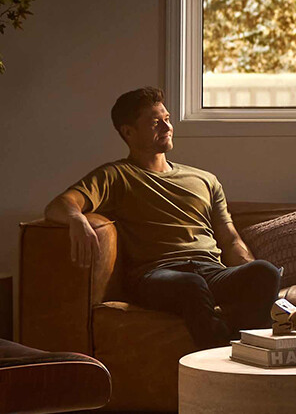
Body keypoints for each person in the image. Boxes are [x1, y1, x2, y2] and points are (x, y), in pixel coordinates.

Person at [43, 86, 280, 349]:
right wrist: (77, 219)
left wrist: (246, 271)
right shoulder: (115, 175)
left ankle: (249, 351)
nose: (167, 127)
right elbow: (60, 204)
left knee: (265, 272)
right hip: (157, 275)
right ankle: (223, 358)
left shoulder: (205, 179)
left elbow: (230, 238)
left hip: (211, 272)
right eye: (156, 122)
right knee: (191, 284)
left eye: (167, 119)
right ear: (128, 132)